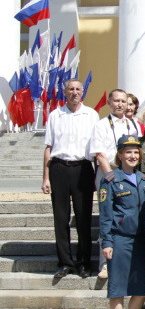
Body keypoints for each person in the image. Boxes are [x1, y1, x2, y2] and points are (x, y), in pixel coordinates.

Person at [98, 135, 145, 309]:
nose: (132, 156)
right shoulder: (110, 179)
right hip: (120, 239)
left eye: (136, 152)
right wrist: (107, 241)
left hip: (141, 240)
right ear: (119, 155)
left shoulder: (144, 179)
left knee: (140, 289)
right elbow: (105, 214)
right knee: (118, 289)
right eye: (127, 152)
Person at [42, 79, 99, 279]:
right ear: (65, 92)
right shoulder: (55, 115)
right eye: (71, 89)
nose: (74, 92)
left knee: (83, 218)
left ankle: (84, 262)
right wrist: (46, 178)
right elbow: (48, 148)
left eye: (77, 89)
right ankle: (65, 262)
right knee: (61, 218)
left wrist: (97, 175)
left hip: (83, 168)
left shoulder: (91, 115)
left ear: (82, 92)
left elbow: (97, 148)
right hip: (59, 168)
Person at [89, 89, 141, 279]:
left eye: (123, 101)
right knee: (108, 215)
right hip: (108, 171)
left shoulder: (133, 123)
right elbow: (100, 153)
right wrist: (112, 177)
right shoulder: (101, 125)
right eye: (116, 101)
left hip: (129, 172)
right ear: (109, 102)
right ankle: (104, 263)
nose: (120, 104)